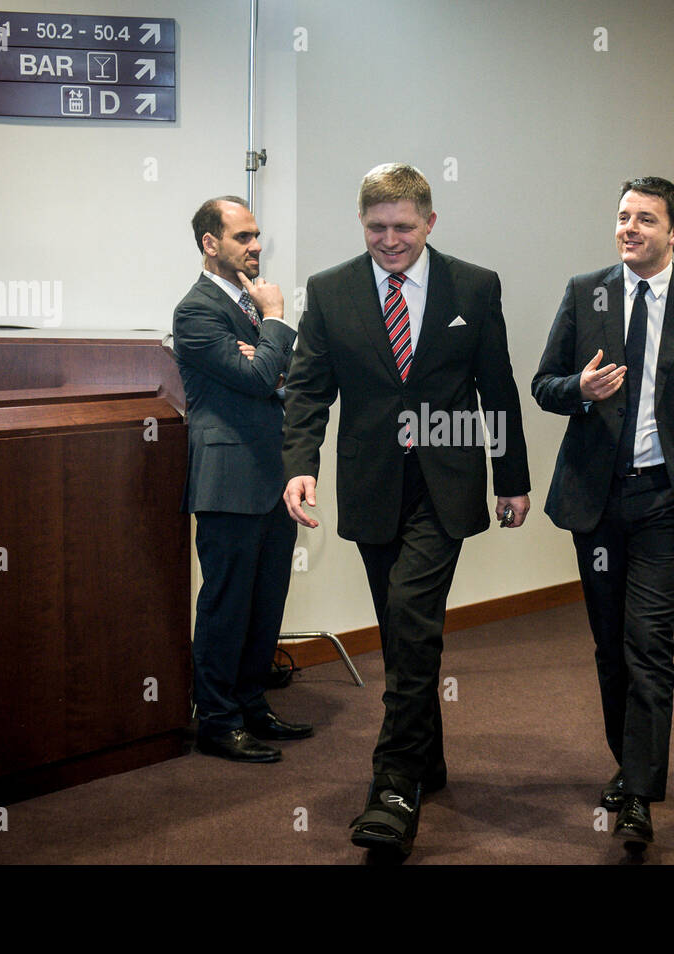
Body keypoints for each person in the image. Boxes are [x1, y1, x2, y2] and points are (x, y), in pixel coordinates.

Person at [281, 163, 530, 858]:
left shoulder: (473, 286)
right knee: (401, 629)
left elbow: (497, 387)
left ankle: (393, 785)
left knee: (413, 619)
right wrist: (301, 466)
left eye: (402, 227)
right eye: (375, 228)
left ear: (429, 221)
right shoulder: (332, 291)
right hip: (372, 484)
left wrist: (512, 478)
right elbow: (307, 390)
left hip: (444, 485)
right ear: (362, 224)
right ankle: (430, 758)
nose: (389, 241)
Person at [532, 176, 674, 848]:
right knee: (610, 646)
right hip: (597, 501)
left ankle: (638, 794)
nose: (630, 228)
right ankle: (630, 764)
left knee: (648, 642)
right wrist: (581, 388)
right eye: (623, 216)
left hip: (666, 499)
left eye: (646, 220)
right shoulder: (584, 293)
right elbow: (544, 385)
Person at [172, 196, 311, 765]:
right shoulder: (197, 311)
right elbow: (258, 379)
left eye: (257, 237)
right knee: (227, 603)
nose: (256, 247)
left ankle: (252, 704)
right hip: (228, 477)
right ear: (211, 243)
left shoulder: (249, 306)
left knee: (265, 599)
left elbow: (289, 378)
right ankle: (218, 720)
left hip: (272, 475)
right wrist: (277, 322)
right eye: (243, 237)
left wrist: (267, 355)